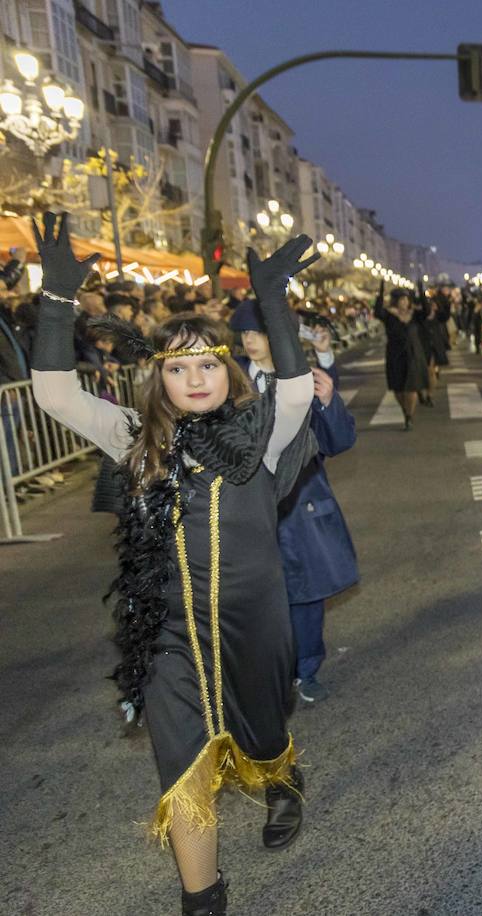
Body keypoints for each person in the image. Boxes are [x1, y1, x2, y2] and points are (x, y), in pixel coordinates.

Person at [30, 214, 322, 915]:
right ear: (158, 376)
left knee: (262, 731)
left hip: (254, 623)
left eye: (207, 364)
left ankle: (281, 778)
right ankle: (204, 899)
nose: (194, 378)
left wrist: (272, 300)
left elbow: (298, 389)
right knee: (183, 767)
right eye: (178, 366)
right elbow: (53, 395)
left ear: (227, 370)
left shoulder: (262, 436)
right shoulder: (133, 436)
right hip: (166, 639)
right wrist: (56, 303)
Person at [230, 299, 359, 704]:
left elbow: (338, 440)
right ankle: (270, 671)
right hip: (248, 503)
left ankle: (306, 668)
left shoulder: (302, 379)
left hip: (302, 498)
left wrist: (327, 401)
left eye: (259, 333)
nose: (250, 341)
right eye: (245, 334)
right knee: (257, 594)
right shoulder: (228, 379)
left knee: (306, 591)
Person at [373, 284, 428, 430]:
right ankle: (405, 410)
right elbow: (377, 312)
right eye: (401, 300)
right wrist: (380, 293)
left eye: (406, 299)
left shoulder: (415, 315)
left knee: (411, 388)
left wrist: (421, 292)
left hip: (413, 355)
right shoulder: (389, 315)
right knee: (398, 389)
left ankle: (409, 416)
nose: (404, 302)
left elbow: (427, 311)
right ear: (395, 301)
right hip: (395, 355)